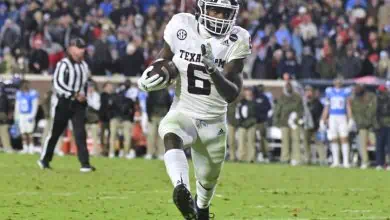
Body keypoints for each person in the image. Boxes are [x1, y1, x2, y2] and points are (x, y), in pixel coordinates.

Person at [137, 0, 251, 219]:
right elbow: (163, 60)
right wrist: (150, 75)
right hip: (185, 111)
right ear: (202, 9)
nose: (219, 17)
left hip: (214, 122)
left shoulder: (237, 39)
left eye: (225, 13)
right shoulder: (181, 25)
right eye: (215, 11)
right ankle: (181, 188)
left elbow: (232, 93)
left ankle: (201, 210)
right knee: (170, 130)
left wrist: (213, 70)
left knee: (207, 181)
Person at [38, 38, 96, 172]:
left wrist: (87, 91)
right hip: (64, 102)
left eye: (82, 48)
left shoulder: (84, 65)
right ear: (70, 49)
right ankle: (44, 160)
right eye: (78, 47)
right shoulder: (63, 64)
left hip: (78, 104)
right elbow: (57, 83)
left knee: (80, 133)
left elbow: (87, 81)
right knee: (55, 133)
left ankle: (85, 164)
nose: (81, 50)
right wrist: (74, 93)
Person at [320, 78, 353, 168]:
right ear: (334, 82)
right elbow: (327, 107)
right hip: (332, 117)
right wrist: (323, 119)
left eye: (339, 81)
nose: (338, 83)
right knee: (333, 138)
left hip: (342, 116)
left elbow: (348, 106)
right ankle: (336, 161)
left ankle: (346, 161)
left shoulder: (345, 92)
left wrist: (350, 119)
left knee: (344, 138)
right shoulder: (329, 92)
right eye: (336, 81)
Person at [273, 82, 304, 166]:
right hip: (284, 123)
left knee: (296, 140)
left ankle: (296, 159)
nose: (288, 88)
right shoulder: (282, 98)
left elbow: (301, 110)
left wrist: (299, 118)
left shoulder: (297, 97)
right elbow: (277, 111)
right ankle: (285, 159)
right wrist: (277, 123)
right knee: (285, 141)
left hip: (295, 123)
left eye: (290, 86)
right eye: (287, 86)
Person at [350, 84, 377, 169]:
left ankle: (384, 161)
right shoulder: (354, 99)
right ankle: (365, 162)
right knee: (362, 145)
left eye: (358, 88)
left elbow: (374, 108)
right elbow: (354, 112)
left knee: (376, 143)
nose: (356, 90)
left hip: (373, 124)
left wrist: (368, 119)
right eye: (355, 88)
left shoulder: (371, 96)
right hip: (361, 125)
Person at [109, 80, 137, 159]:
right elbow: (133, 110)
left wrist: (111, 117)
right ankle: (126, 153)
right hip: (125, 119)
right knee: (126, 137)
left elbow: (110, 108)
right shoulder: (130, 97)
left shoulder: (114, 97)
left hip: (117, 118)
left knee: (113, 136)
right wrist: (131, 119)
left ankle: (112, 153)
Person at [145, 88, 172, 160]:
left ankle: (160, 153)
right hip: (153, 116)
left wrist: (168, 116)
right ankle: (150, 153)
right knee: (151, 136)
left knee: (161, 136)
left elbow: (169, 104)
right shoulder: (152, 91)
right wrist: (148, 116)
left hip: (163, 116)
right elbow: (148, 104)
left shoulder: (165, 92)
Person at [14, 80, 39, 154]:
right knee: (23, 132)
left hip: (29, 114)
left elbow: (35, 105)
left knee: (30, 132)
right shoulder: (19, 94)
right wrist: (16, 116)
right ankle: (25, 148)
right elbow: (17, 106)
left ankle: (31, 148)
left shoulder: (32, 93)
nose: (24, 86)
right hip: (22, 115)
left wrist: (32, 115)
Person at [302, 85, 325, 165]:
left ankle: (322, 160)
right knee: (305, 143)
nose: (308, 93)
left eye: (310, 91)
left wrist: (318, 125)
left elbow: (320, 114)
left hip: (316, 127)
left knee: (319, 143)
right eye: (307, 91)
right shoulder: (303, 103)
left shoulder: (317, 103)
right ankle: (307, 159)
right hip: (306, 126)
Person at [236, 87, 257, 163]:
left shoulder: (254, 103)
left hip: (251, 125)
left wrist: (250, 122)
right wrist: (239, 123)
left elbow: (255, 115)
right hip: (242, 125)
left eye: (249, 92)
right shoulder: (241, 102)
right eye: (246, 92)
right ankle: (241, 158)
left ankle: (251, 158)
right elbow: (238, 114)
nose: (248, 94)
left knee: (251, 142)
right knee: (241, 142)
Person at [254, 84, 271, 162]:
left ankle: (264, 155)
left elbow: (268, 107)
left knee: (262, 139)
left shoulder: (265, 98)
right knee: (254, 139)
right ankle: (256, 155)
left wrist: (261, 114)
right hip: (254, 122)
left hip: (262, 122)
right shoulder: (254, 97)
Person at [374, 85, 390, 170]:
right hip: (380, 125)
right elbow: (374, 113)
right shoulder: (376, 100)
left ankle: (382, 163)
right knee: (380, 145)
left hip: (386, 124)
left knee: (385, 145)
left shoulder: (384, 99)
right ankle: (380, 163)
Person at [99, 82, 115, 156]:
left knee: (110, 135)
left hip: (111, 118)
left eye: (111, 86)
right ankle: (103, 150)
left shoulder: (113, 96)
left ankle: (108, 150)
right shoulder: (102, 96)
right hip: (103, 118)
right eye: (108, 86)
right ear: (105, 87)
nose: (110, 88)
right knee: (102, 135)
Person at [86, 81, 101, 156]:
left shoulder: (96, 95)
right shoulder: (85, 95)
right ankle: (84, 152)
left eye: (91, 87)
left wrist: (89, 106)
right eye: (89, 87)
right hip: (85, 120)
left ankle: (96, 152)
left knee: (95, 137)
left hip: (94, 119)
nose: (90, 88)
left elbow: (97, 107)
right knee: (82, 137)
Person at [0, 82, 12, 153]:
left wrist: (9, 115)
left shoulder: (4, 97)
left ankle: (7, 148)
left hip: (3, 115)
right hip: (3, 115)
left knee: (4, 132)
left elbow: (9, 107)